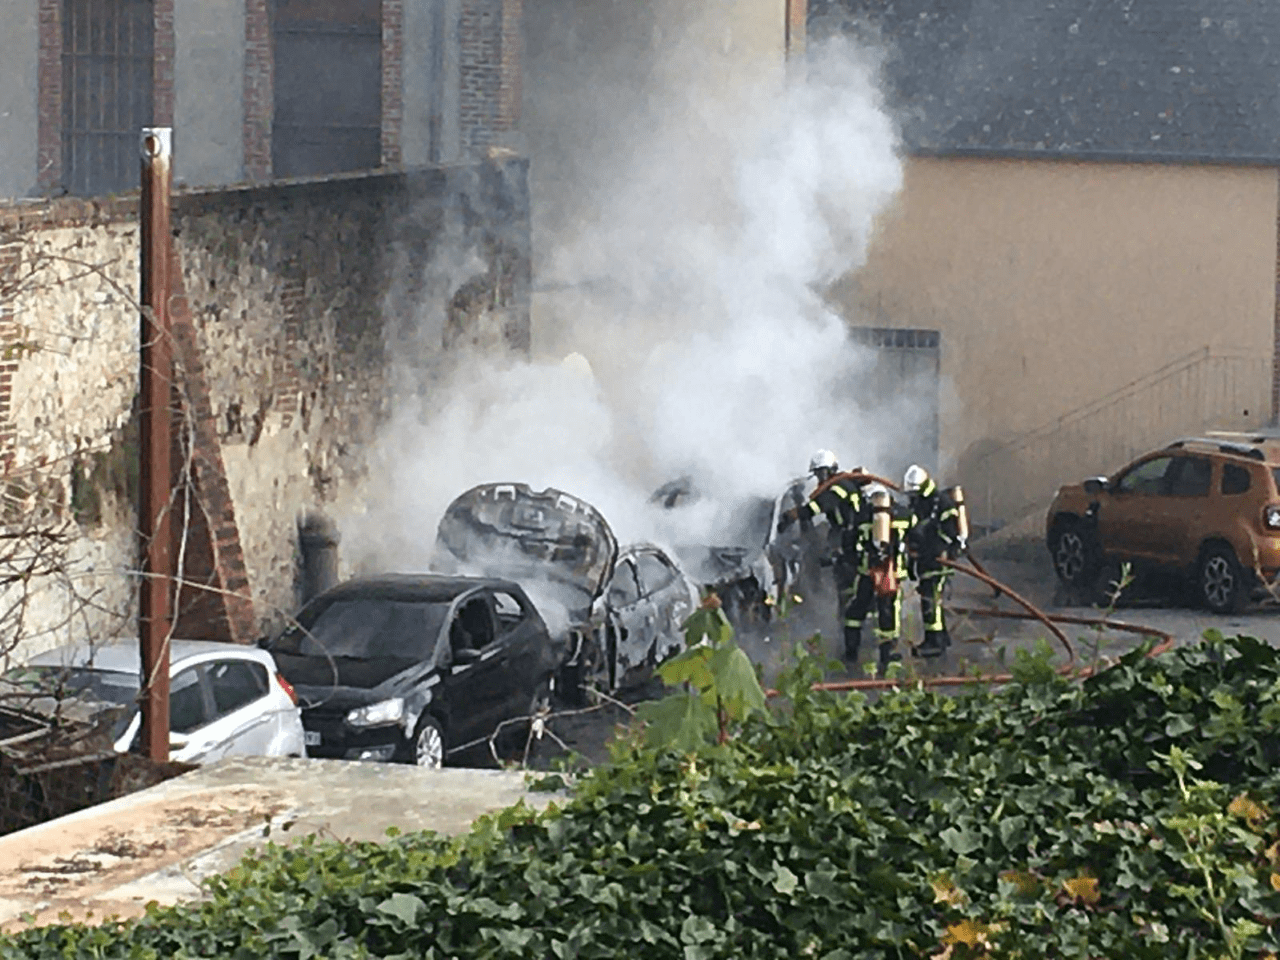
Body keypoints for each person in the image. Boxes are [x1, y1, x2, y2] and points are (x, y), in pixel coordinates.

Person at [776, 450, 869, 660]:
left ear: (829, 470)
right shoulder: (836, 487)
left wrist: (793, 515)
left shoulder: (841, 487)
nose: (819, 478)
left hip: (855, 544)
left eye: (820, 473)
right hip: (848, 542)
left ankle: (856, 641)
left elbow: (819, 506)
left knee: (852, 591)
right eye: (817, 474)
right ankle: (848, 633)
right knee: (846, 590)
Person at [844, 482, 910, 676]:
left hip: (868, 572)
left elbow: (852, 543)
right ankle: (888, 655)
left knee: (856, 609)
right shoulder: (904, 514)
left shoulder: (863, 516)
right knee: (889, 613)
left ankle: (851, 650)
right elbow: (915, 538)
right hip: (893, 573)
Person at [903, 464, 967, 658]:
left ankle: (934, 643)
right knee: (930, 597)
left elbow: (951, 533)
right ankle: (942, 636)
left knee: (930, 600)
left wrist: (936, 549)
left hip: (938, 559)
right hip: (925, 559)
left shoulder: (942, 503)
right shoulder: (920, 502)